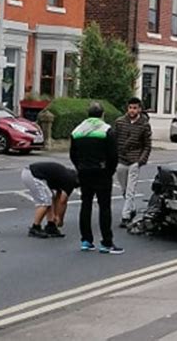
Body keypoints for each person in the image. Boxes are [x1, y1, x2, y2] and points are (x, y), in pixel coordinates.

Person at [70, 102, 123, 254]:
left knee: (85, 206)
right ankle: (106, 242)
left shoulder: (77, 131)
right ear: (102, 114)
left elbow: (72, 155)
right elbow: (113, 156)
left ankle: (86, 240)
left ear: (88, 114)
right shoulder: (106, 130)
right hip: (102, 173)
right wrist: (109, 171)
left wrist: (80, 167)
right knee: (104, 207)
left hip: (84, 173)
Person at [115, 97, 152, 228]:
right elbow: (115, 141)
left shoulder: (144, 124)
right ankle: (132, 208)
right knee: (124, 189)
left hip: (135, 160)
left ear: (140, 109)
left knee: (131, 189)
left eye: (135, 108)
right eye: (130, 107)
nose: (132, 110)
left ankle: (125, 216)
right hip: (121, 160)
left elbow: (147, 145)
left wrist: (141, 161)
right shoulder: (119, 122)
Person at [21, 162, 79, 239]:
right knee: (44, 202)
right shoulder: (70, 180)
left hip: (31, 172)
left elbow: (57, 198)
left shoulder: (66, 176)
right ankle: (35, 227)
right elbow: (63, 201)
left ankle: (51, 225)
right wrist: (60, 219)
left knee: (49, 198)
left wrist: (55, 216)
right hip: (33, 174)